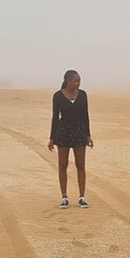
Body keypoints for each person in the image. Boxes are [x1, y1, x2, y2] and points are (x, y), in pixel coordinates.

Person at [47, 70, 94, 209]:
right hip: (63, 133)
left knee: (81, 166)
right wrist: (51, 138)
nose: (79, 83)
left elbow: (86, 116)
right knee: (62, 165)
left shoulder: (83, 95)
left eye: (79, 81)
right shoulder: (58, 96)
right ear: (68, 81)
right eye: (76, 81)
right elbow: (55, 117)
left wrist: (88, 135)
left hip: (79, 133)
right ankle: (64, 197)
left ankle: (82, 197)